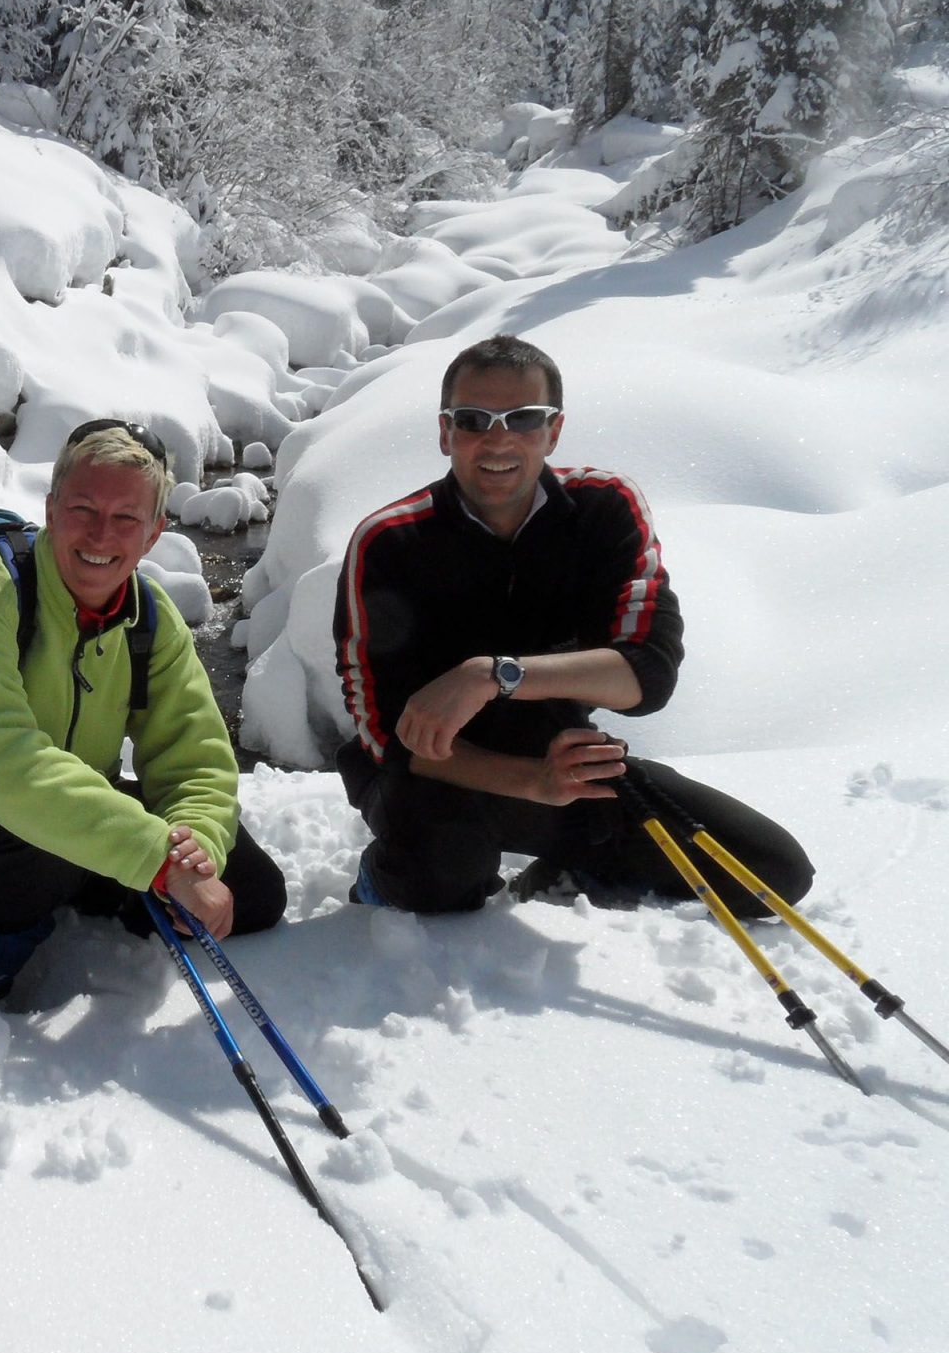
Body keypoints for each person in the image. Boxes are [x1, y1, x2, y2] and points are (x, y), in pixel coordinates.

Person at [332, 333, 813, 916]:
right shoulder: (388, 541)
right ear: (445, 432)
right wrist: (534, 783)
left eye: (524, 418)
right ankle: (380, 881)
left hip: (563, 763)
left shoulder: (604, 508)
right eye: (473, 419)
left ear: (554, 431)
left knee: (771, 870)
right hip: (433, 773)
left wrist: (495, 676)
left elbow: (647, 674)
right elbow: (387, 739)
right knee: (444, 874)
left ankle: (570, 859)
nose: (498, 439)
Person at [0, 419, 288, 1003]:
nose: (102, 535)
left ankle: (71, 881)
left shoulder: (149, 615)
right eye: (83, 508)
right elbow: (2, 766)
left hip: (55, 804)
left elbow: (195, 759)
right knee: (38, 841)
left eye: (127, 517)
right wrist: (158, 861)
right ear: (52, 510)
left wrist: (195, 852)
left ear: (155, 532)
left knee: (251, 889)